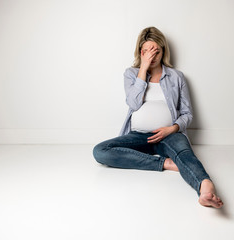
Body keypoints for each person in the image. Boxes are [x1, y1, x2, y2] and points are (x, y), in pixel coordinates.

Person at [93, 26, 223, 208]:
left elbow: (187, 113)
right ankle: (165, 163)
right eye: (146, 52)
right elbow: (134, 104)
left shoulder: (176, 77)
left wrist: (172, 128)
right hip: (138, 136)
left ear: (163, 52)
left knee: (185, 154)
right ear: (141, 52)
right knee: (100, 151)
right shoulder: (131, 74)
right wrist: (143, 69)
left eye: (156, 52)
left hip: (169, 135)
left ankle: (206, 188)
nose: (151, 56)